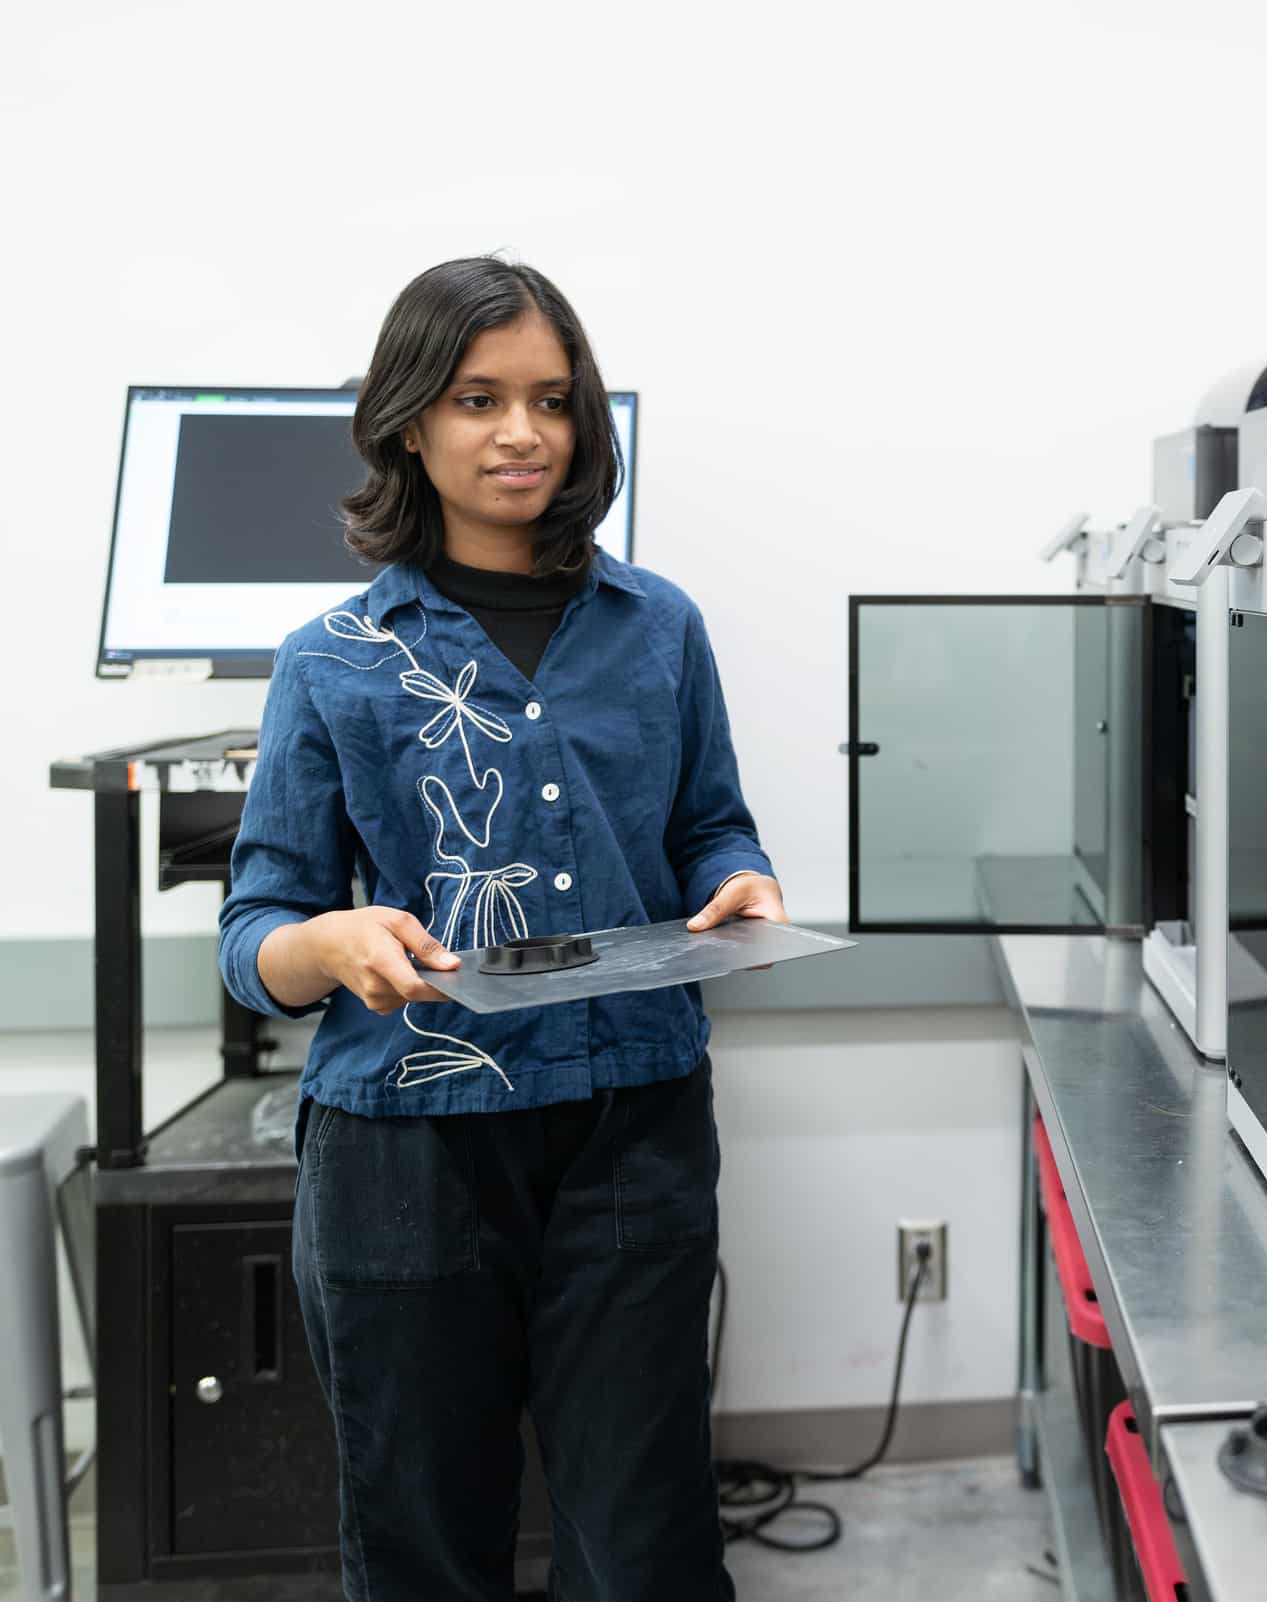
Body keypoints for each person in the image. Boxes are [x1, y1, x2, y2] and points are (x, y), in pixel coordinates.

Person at [220, 256, 774, 1601]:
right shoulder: (334, 656)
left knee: (642, 1544)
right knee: (424, 1544)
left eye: (549, 398)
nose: (521, 431)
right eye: (478, 398)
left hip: (631, 1129)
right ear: (411, 419)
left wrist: (744, 877)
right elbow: (256, 929)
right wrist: (333, 940)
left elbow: (711, 825)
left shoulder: (661, 628)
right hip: (406, 1160)